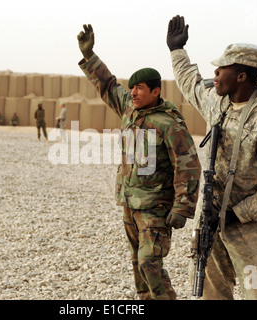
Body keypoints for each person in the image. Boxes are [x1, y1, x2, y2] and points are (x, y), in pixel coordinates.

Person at [167, 14, 257, 299]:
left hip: (252, 233)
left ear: (241, 76)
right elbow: (190, 82)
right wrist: (177, 51)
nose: (214, 75)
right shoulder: (217, 102)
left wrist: (235, 214)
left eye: (221, 70)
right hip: (211, 229)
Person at [77, 24, 201, 300]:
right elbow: (108, 86)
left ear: (156, 91)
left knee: (150, 263)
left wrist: (182, 206)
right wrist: (90, 56)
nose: (132, 92)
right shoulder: (129, 111)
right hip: (130, 204)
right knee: (138, 266)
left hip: (155, 208)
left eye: (140, 88)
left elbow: (189, 166)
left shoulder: (169, 123)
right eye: (131, 88)